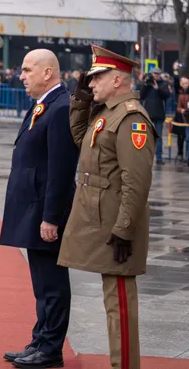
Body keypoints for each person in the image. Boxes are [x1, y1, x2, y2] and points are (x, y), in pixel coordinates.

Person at [58, 45, 155, 369]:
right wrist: (82, 102)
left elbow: (136, 182)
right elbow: (79, 138)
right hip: (102, 219)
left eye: (97, 77)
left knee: (120, 305)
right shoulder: (106, 112)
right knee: (113, 301)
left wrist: (125, 229)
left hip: (116, 225)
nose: (90, 82)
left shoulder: (131, 118)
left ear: (117, 80)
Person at [0, 49, 79, 369]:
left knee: (52, 282)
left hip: (45, 211)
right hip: (33, 207)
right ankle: (40, 339)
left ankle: (50, 348)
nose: (22, 75)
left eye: (27, 70)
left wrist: (51, 217)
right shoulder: (44, 103)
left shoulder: (60, 107)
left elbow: (61, 169)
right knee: (41, 282)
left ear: (48, 73)